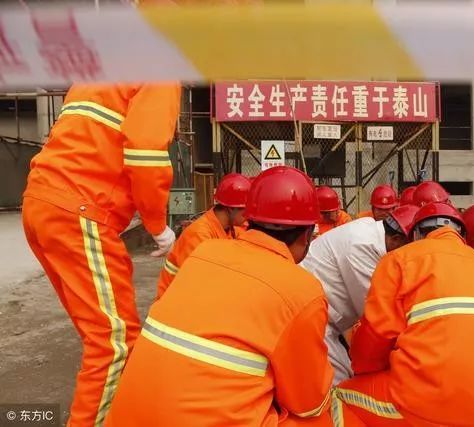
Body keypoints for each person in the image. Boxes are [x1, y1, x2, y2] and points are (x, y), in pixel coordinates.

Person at [104, 166, 334, 427]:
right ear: (307, 235)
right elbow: (308, 403)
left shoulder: (206, 251)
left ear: (249, 218)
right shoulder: (303, 291)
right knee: (318, 418)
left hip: (128, 416)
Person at [21, 82, 181, 426]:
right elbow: (146, 151)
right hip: (80, 208)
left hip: (44, 201)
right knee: (114, 342)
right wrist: (158, 226)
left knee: (101, 335)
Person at [333, 202, 474, 427]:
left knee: (340, 396)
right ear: (462, 236)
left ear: (416, 235)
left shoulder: (401, 259)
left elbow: (374, 342)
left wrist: (362, 372)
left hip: (434, 403)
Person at [301, 205, 418, 386]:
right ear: (396, 239)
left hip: (321, 313)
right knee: (337, 384)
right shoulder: (362, 246)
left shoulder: (368, 230)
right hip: (311, 316)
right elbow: (375, 313)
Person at [155, 173, 251, 299]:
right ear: (230, 209)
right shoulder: (200, 235)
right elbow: (204, 281)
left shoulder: (230, 229)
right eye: (245, 210)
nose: (249, 215)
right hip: (176, 302)